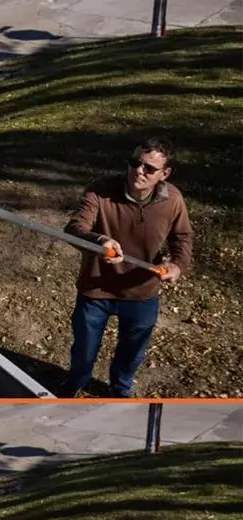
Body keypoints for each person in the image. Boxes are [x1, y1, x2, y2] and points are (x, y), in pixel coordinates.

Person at [61, 138, 193, 397]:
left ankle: (120, 391)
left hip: (142, 292)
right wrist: (100, 241)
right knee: (84, 350)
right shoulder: (101, 191)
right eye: (134, 163)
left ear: (164, 174)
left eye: (149, 168)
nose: (139, 171)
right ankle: (75, 385)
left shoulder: (173, 200)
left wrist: (177, 265)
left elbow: (183, 237)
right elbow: (74, 229)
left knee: (132, 353)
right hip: (96, 289)